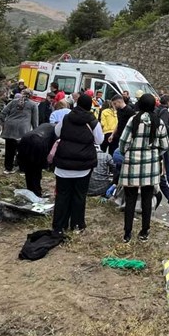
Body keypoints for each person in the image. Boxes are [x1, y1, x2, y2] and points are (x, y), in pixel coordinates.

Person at [118, 94, 168, 242]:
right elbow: (164, 146)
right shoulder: (158, 122)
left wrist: (127, 153)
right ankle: (144, 231)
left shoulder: (133, 120)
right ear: (154, 105)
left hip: (132, 164)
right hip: (150, 165)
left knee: (130, 198)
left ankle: (127, 233)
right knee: (147, 198)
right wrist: (154, 154)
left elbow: (123, 142)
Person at [51, 94, 103, 234]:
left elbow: (57, 131)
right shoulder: (92, 121)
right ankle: (77, 225)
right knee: (79, 196)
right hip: (83, 167)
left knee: (62, 196)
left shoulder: (67, 117)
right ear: (89, 106)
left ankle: (59, 226)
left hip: (63, 165)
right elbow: (99, 140)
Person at [0, 90, 39, 174]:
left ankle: (8, 168)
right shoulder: (33, 105)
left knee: (9, 149)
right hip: (23, 130)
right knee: (22, 150)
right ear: (31, 96)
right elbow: (34, 121)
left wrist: (3, 123)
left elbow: (3, 113)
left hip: (10, 127)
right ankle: (22, 169)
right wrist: (35, 131)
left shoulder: (13, 102)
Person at [16, 123, 56, 198]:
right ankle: (36, 192)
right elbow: (52, 149)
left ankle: (30, 189)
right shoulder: (56, 131)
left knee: (28, 168)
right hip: (38, 143)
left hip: (25, 138)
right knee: (36, 170)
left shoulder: (46, 124)